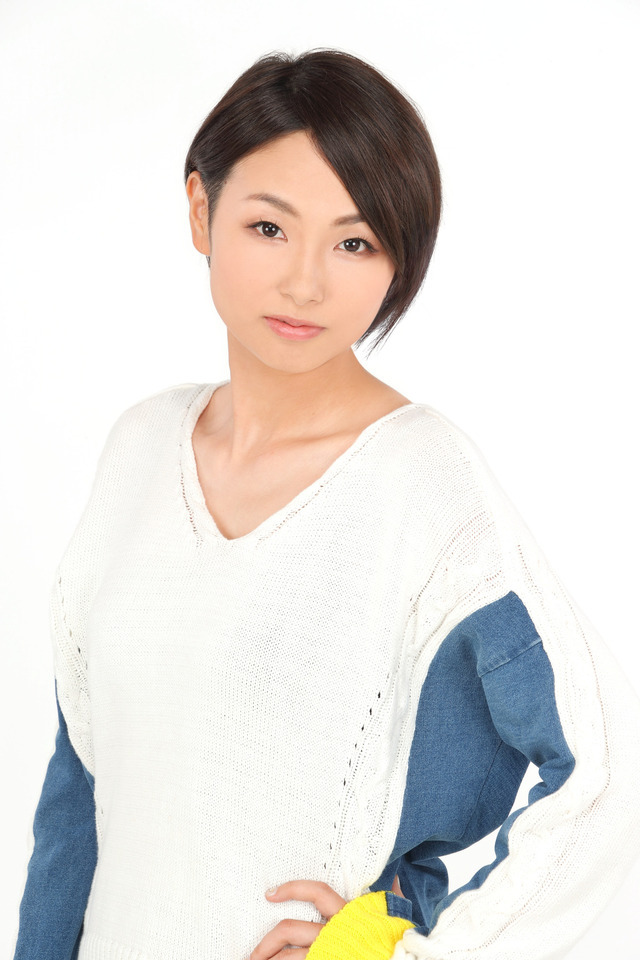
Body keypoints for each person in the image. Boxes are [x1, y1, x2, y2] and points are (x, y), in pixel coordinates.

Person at [12, 49, 640, 960]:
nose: (305, 282)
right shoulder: (139, 448)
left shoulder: (426, 484)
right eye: (269, 227)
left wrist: (403, 946)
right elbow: (81, 783)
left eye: (355, 243)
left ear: (397, 261)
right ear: (201, 211)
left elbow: (603, 774)